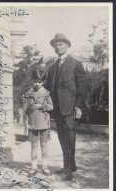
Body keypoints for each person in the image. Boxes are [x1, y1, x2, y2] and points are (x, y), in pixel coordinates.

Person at [46, 33, 86, 181]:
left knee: (70, 138)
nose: (58, 47)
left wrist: (78, 106)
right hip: (56, 109)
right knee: (63, 138)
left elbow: (81, 87)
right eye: (55, 45)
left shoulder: (76, 64)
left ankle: (68, 169)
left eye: (60, 44)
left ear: (67, 45)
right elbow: (49, 87)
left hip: (70, 108)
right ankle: (70, 165)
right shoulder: (52, 67)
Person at [23, 69, 53, 177]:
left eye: (39, 81)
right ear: (32, 81)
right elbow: (25, 110)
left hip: (44, 123)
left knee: (44, 146)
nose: (37, 83)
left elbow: (51, 107)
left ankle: (45, 167)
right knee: (33, 146)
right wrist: (26, 122)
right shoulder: (27, 94)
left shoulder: (46, 93)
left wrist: (42, 106)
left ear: (43, 82)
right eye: (35, 81)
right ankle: (33, 168)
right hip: (32, 124)